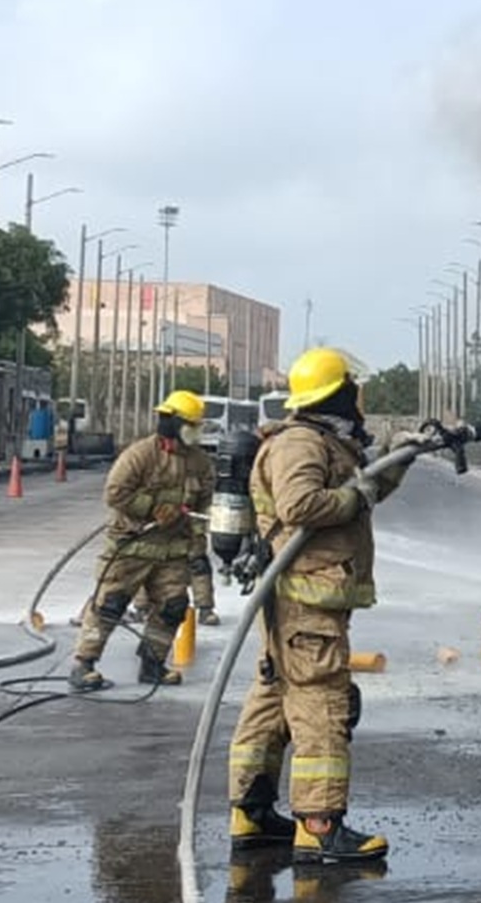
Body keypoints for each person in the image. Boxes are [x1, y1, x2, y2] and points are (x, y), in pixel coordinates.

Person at [225, 347, 412, 865]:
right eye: (352, 387)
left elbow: (361, 491)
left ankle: (252, 813)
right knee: (322, 704)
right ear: (337, 393)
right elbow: (302, 505)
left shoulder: (323, 441)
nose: (358, 395)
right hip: (307, 603)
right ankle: (321, 826)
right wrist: (355, 497)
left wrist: (403, 456)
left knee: (272, 703)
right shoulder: (301, 444)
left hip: (297, 602)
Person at [69, 390, 214, 692]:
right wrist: (151, 508)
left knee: (173, 606)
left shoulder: (199, 462)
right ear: (173, 423)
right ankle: (83, 665)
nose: (197, 431)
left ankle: (152, 665)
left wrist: (199, 540)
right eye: (191, 424)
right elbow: (115, 493)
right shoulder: (140, 455)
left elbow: (205, 504)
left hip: (173, 551)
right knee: (110, 605)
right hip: (131, 547)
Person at [25, 398, 56, 464]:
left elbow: (30, 424)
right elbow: (51, 425)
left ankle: (37, 456)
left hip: (36, 436)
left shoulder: (33, 413)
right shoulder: (47, 414)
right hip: (43, 436)